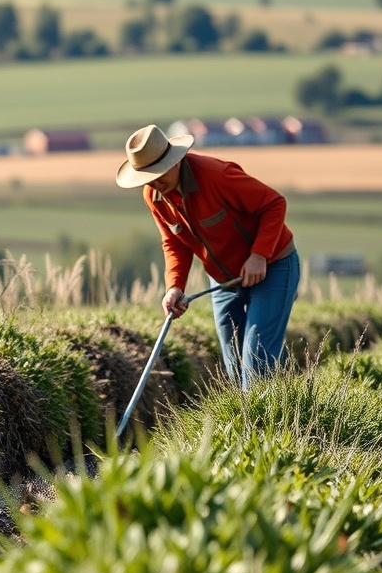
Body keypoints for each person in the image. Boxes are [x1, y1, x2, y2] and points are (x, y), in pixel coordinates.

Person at [115, 124, 300, 390]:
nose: (155, 183)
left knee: (257, 358)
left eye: (158, 174)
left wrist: (259, 255)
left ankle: (271, 413)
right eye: (147, 178)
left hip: (272, 266)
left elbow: (274, 203)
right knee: (235, 363)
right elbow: (173, 242)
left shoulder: (216, 175)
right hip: (223, 280)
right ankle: (264, 404)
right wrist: (174, 286)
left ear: (174, 161)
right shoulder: (154, 196)